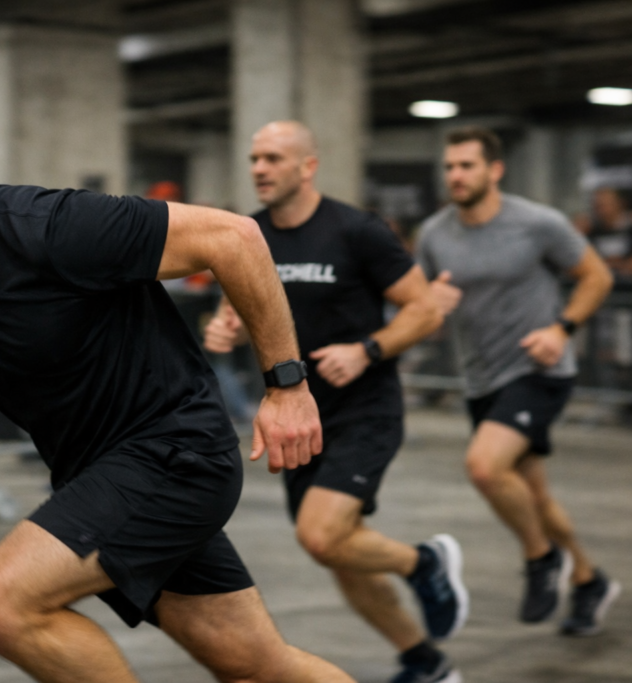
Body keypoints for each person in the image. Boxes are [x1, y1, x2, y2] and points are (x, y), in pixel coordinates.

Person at [0, 86, 354, 683]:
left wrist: (287, 386)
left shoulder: (52, 227)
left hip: (174, 452)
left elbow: (234, 238)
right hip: (97, 475)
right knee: (256, 664)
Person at [203, 121, 466, 683]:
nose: (259, 169)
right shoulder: (249, 235)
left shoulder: (357, 230)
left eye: (273, 158)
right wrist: (229, 328)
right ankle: (425, 661)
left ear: (308, 166)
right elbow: (250, 312)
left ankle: (426, 562)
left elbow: (423, 310)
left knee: (321, 535)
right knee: (337, 553)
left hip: (363, 410)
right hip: (299, 421)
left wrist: (367, 350)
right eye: (254, 158)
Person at [417, 126, 620, 637]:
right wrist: (428, 307)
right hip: (481, 378)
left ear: (495, 170)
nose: (456, 176)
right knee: (534, 496)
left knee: (485, 468)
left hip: (539, 370)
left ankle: (540, 557)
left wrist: (562, 329)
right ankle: (589, 578)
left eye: (467, 165)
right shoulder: (434, 234)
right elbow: (422, 306)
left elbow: (597, 277)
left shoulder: (539, 223)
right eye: (450, 167)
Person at [586, 187, 632, 278]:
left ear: (619, 203)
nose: (600, 210)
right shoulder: (591, 231)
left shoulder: (629, 229)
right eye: (597, 206)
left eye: (604, 205)